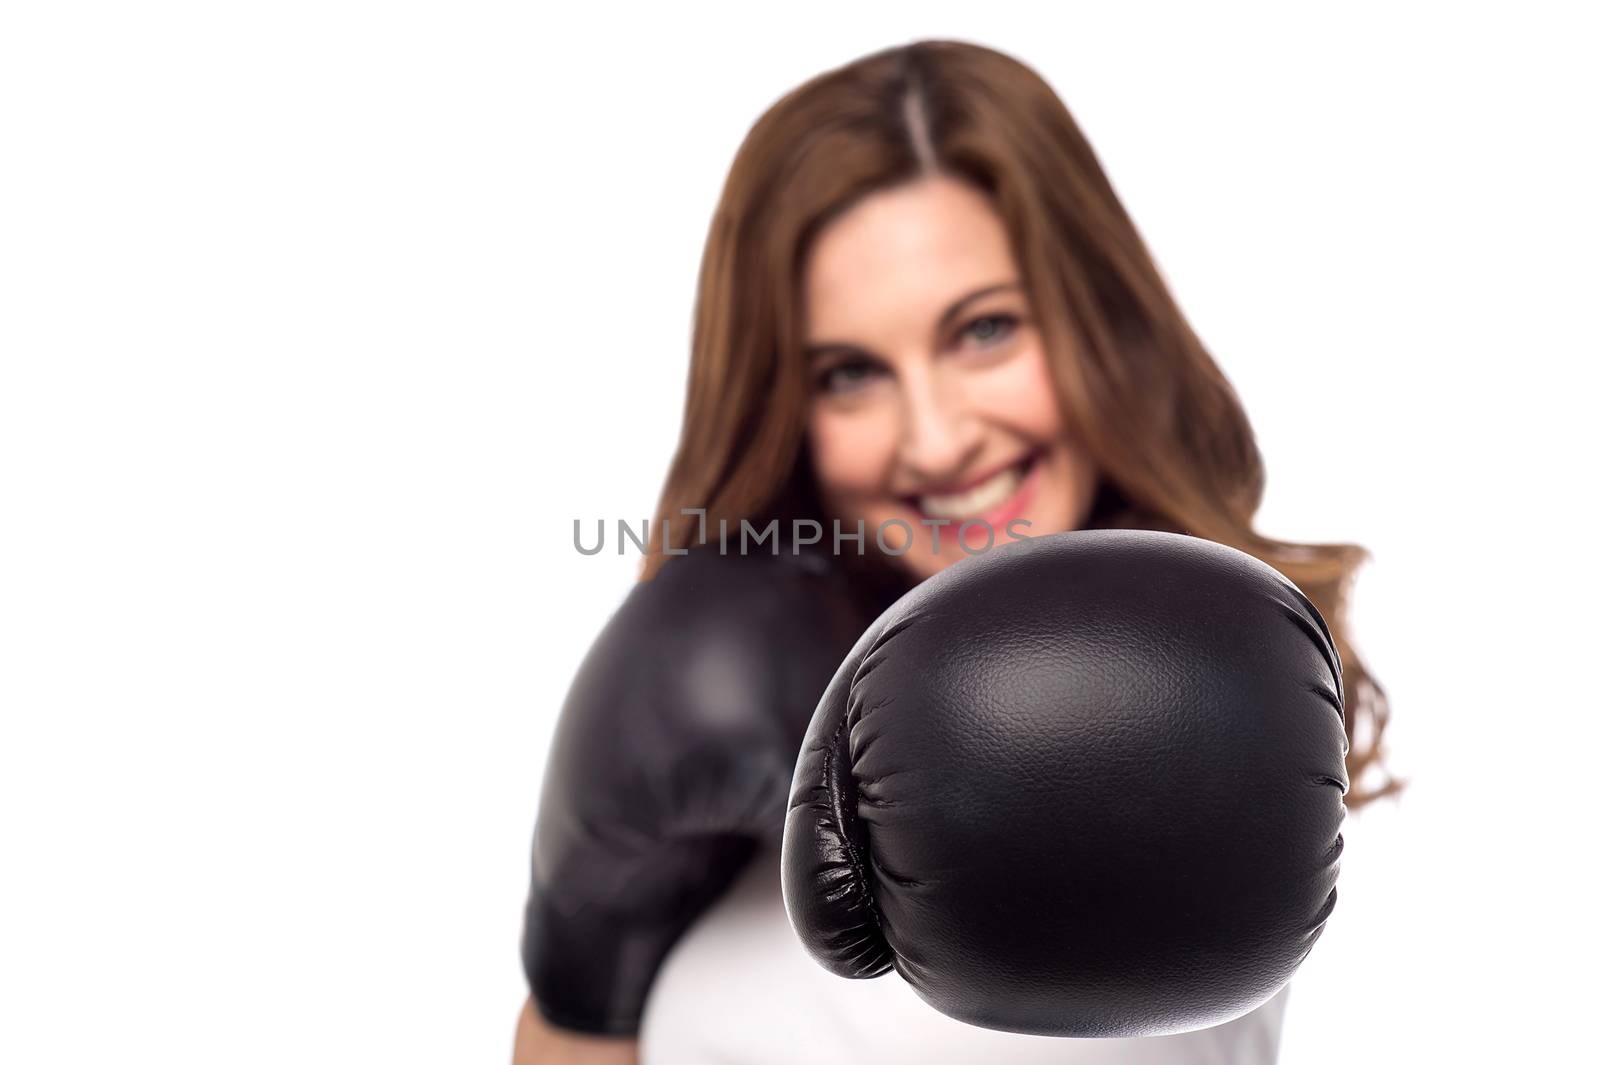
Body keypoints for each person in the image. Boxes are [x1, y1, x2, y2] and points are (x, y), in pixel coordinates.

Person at [513, 38, 1400, 1064]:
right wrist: (579, 957)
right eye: (848, 373)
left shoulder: (1205, 704)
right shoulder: (733, 670)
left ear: (1097, 326)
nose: (933, 440)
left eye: (983, 331)